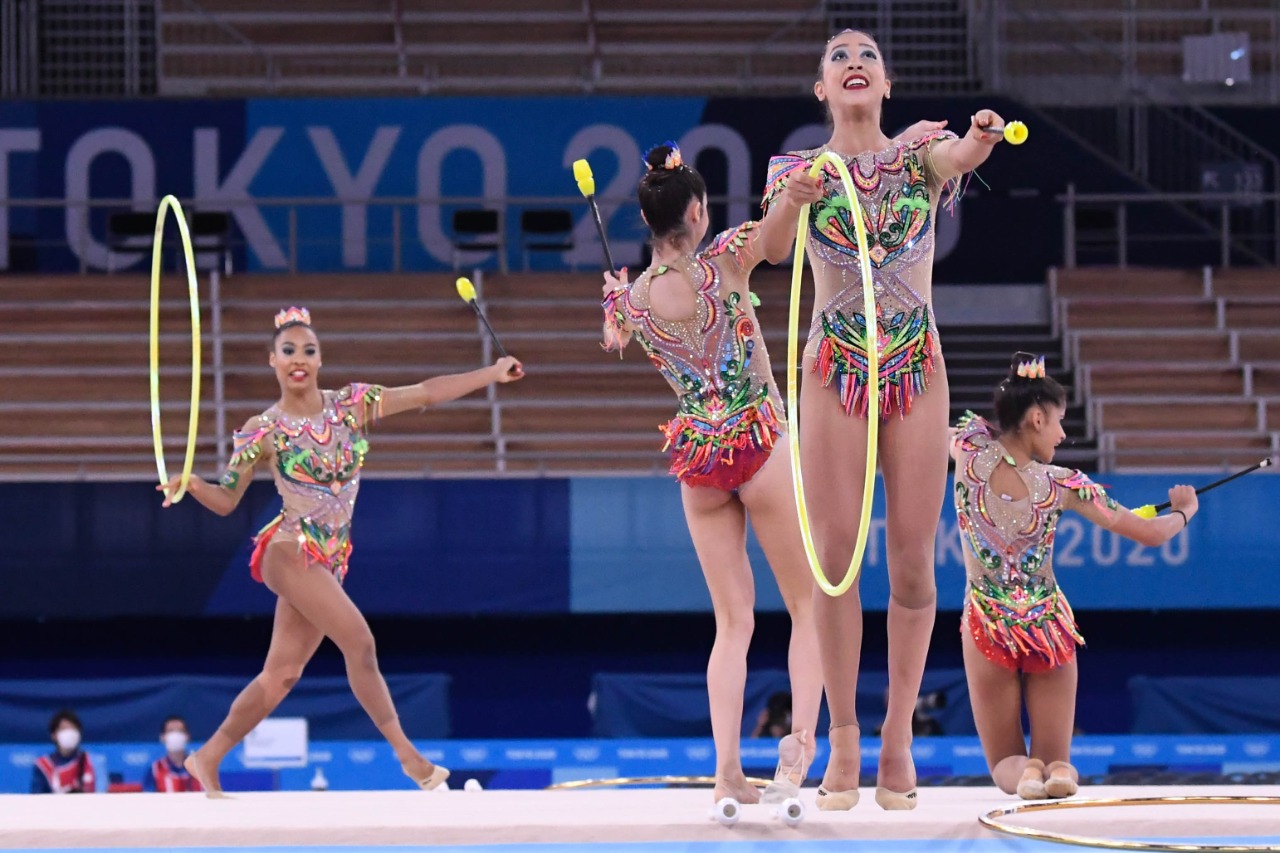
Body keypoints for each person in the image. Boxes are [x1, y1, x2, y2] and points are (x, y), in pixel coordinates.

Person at [752, 28, 1012, 810]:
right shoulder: (798, 171)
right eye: (838, 56)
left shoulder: (916, 153)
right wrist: (790, 206)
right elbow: (768, 250)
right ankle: (842, 738)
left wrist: (979, 137)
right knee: (834, 558)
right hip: (834, 367)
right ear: (822, 91)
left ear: (887, 84)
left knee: (908, 564)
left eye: (866, 54)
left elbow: (958, 159)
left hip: (914, 367)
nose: (853, 61)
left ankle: (898, 734)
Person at [158, 306, 524, 796]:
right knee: (360, 642)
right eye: (288, 351)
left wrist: (493, 373)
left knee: (281, 675)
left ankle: (208, 756)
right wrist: (193, 485)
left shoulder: (351, 406)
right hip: (288, 551)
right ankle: (409, 757)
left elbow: (426, 392)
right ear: (273, 360)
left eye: (308, 350)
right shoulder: (262, 429)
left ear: (320, 358)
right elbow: (227, 499)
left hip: (330, 558)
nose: (298, 359)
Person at [602, 143, 822, 805]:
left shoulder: (632, 304)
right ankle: (798, 749)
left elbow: (616, 337)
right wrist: (792, 196)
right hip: (756, 437)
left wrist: (618, 296)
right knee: (808, 606)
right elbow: (776, 241)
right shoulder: (723, 258)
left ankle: (727, 768)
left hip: (699, 455)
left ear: (648, 220)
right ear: (696, 211)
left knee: (733, 622)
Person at [952, 353, 1197, 800]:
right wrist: (1183, 511)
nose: (1063, 434)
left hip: (987, 623)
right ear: (1037, 417)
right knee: (1056, 758)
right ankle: (1058, 771)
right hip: (1048, 627)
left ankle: (1024, 774)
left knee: (1006, 762)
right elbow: (1151, 534)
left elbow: (939, 429)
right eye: (1059, 422)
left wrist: (1011, 399)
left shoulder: (968, 453)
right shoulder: (1064, 484)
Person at [31, 709, 95, 794]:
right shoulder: (43, 765)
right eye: (64, 729)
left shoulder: (91, 760)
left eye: (73, 728)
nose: (69, 733)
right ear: (54, 735)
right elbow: (36, 798)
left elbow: (101, 794)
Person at [143, 716, 202, 793]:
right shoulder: (155, 770)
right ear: (162, 737)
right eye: (171, 731)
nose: (176, 735)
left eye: (180, 731)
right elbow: (148, 800)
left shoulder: (201, 769)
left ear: (187, 737)